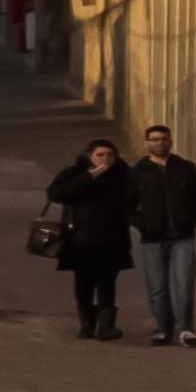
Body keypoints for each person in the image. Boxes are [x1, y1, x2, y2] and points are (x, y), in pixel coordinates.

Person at [42, 137, 137, 341]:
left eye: (110, 154)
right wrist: (88, 178)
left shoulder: (123, 175)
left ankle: (105, 326)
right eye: (100, 155)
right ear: (89, 156)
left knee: (107, 283)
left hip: (112, 240)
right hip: (80, 239)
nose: (105, 158)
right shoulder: (74, 173)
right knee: (83, 282)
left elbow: (135, 198)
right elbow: (56, 194)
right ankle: (86, 324)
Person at [125, 123, 196, 345]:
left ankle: (186, 329)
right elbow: (126, 205)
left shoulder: (186, 168)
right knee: (157, 286)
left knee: (184, 284)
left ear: (170, 141)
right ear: (147, 143)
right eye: (154, 139)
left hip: (183, 236)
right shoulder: (138, 172)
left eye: (163, 139)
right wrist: (142, 224)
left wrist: (191, 220)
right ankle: (162, 329)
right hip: (153, 238)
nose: (159, 143)